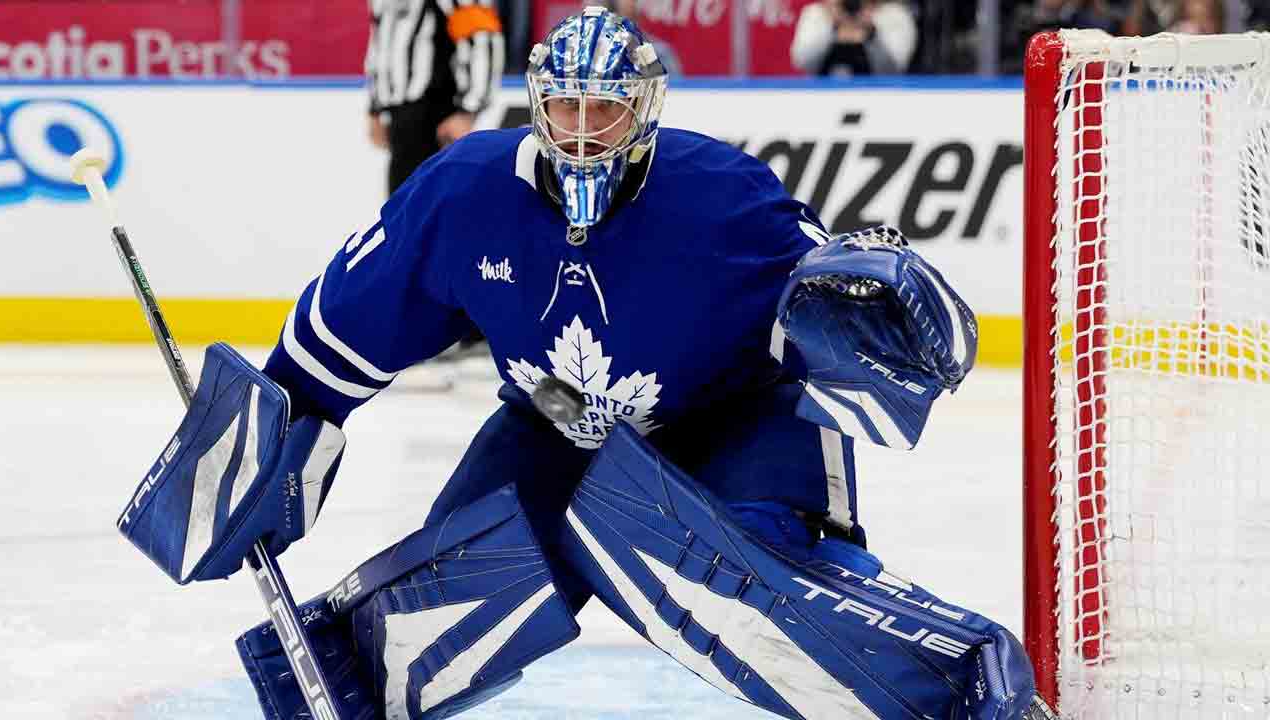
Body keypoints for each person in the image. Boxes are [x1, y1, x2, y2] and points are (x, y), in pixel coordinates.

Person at [119, 7, 1053, 719]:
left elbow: (822, 317)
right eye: (563, 105)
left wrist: (875, 325)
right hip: (557, 418)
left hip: (731, 420)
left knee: (749, 586)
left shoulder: (722, 200)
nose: (579, 129)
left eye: (603, 107)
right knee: (437, 608)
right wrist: (258, 456)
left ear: (644, 110)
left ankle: (967, 687)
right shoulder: (464, 194)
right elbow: (334, 341)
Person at [365, 0, 506, 195]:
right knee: (401, 205)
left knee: (433, 204)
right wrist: (375, 108)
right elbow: (381, 42)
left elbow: (482, 37)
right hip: (399, 116)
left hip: (436, 113)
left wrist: (469, 110)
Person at [790, 0, 917, 77]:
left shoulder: (894, 15)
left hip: (879, 94)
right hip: (825, 93)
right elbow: (801, 61)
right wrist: (833, 27)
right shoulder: (818, 14)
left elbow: (894, 67)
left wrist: (871, 33)